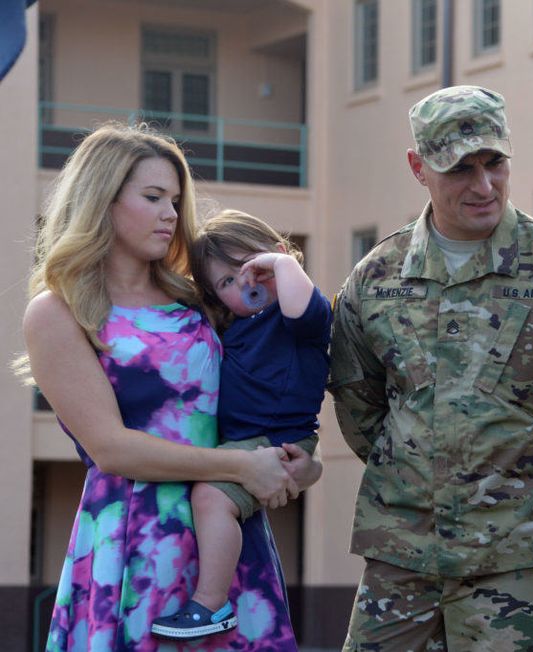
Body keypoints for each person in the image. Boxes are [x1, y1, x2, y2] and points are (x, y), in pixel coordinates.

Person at [329, 85, 533, 651]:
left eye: (494, 163)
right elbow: (359, 406)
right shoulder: (376, 279)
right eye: (460, 169)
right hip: (403, 550)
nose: (483, 185)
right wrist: (429, 471)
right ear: (419, 167)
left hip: (523, 554)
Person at [20, 123, 318, 651]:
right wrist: (243, 467)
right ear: (103, 200)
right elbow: (110, 449)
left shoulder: (197, 297)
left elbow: (270, 378)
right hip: (133, 540)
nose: (172, 216)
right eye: (153, 197)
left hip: (226, 538)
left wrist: (298, 460)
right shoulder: (59, 312)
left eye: (176, 201)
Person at [150, 209, 331, 640]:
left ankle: (211, 604)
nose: (245, 283)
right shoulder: (235, 327)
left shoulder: (296, 320)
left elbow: (303, 306)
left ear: (279, 258)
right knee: (211, 500)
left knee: (212, 498)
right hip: (247, 441)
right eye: (227, 282)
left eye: (252, 268)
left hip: (274, 441)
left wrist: (283, 266)